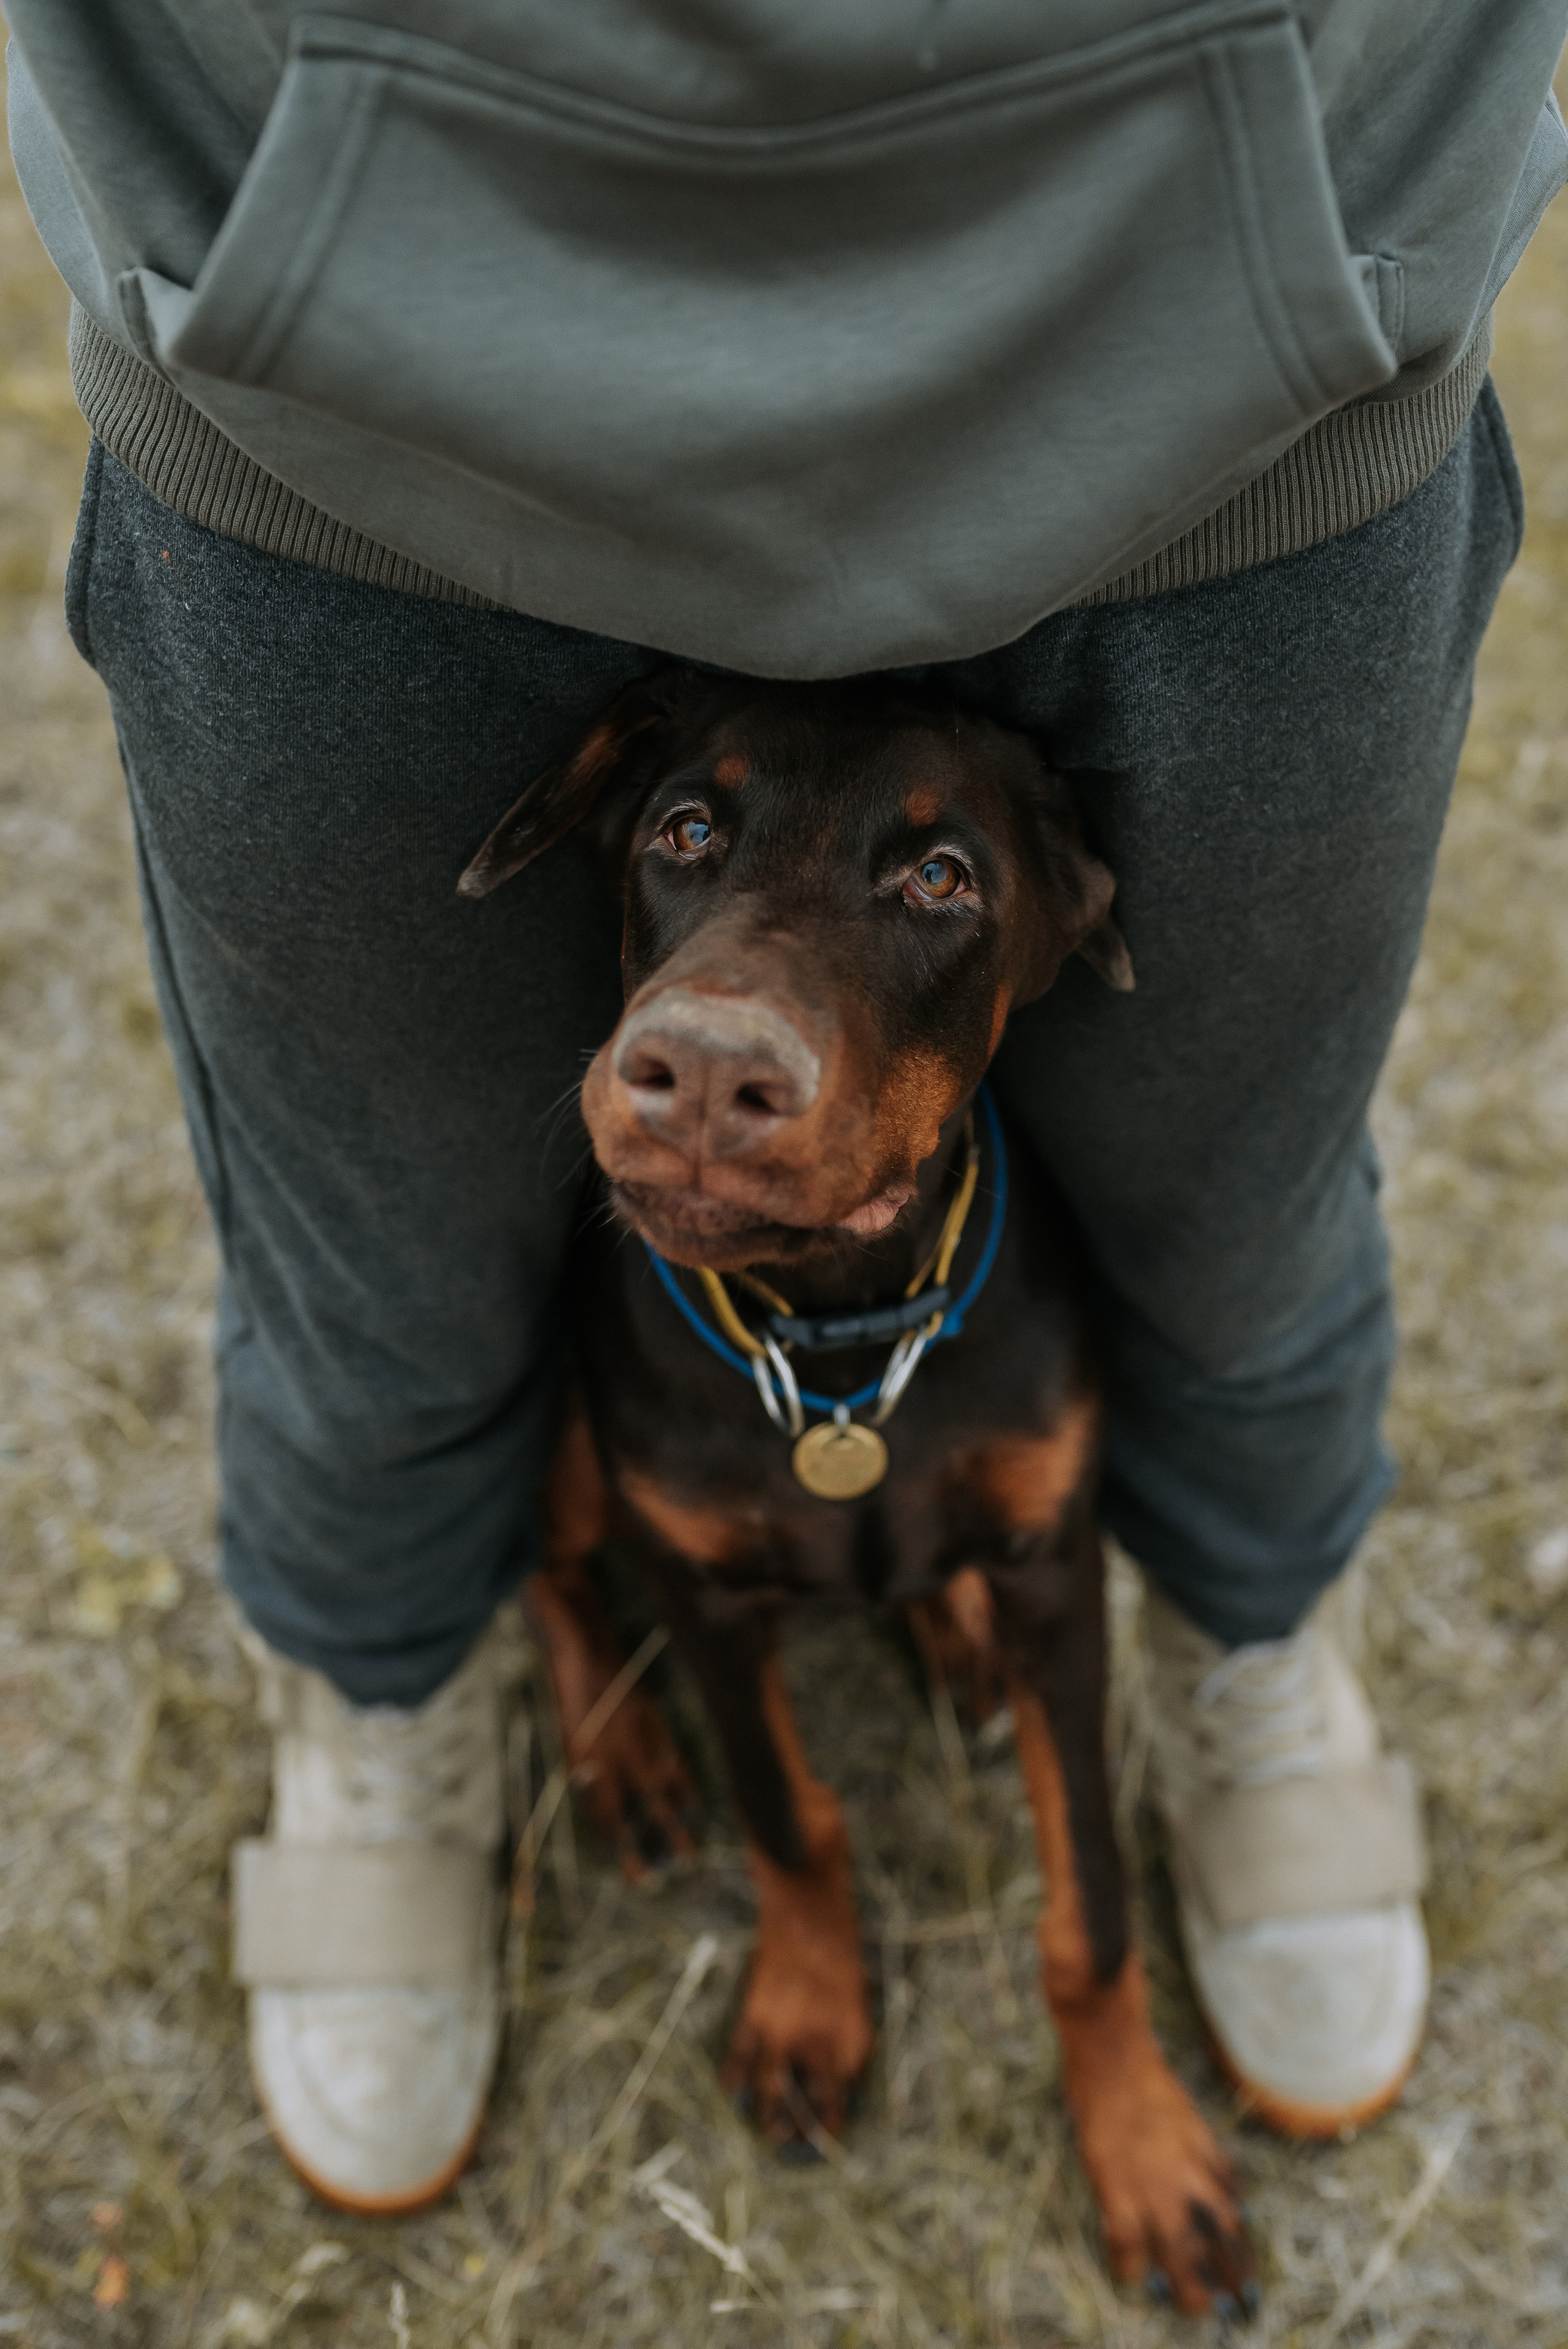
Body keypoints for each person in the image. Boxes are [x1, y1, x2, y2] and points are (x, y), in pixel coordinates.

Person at [7, 0, 1566, 2223]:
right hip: (344, 379)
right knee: (386, 1242)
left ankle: (1256, 1625)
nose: (718, 1045)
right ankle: (391, 1673)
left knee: (1242, 1197)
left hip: (1250, 340)